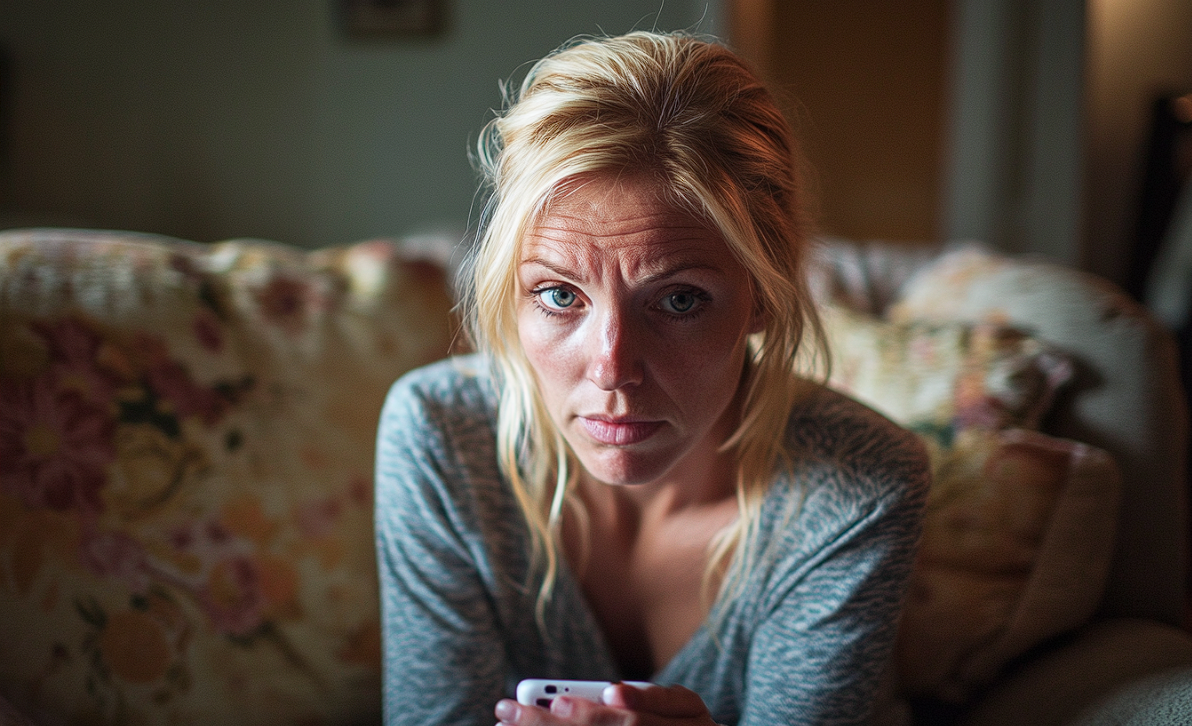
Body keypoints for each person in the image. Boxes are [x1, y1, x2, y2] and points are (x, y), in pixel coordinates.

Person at [374, 30, 929, 726]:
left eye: (678, 300)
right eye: (559, 295)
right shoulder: (439, 437)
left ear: (761, 293)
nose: (613, 368)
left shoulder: (858, 484)